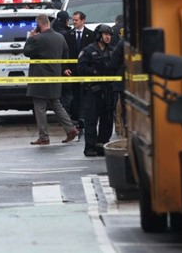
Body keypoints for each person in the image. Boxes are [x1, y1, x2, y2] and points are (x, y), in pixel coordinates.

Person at [24, 14, 80, 145]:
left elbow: (27, 52)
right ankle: (70, 129)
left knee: (40, 106)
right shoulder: (60, 37)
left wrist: (30, 38)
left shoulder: (37, 39)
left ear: (39, 24)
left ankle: (44, 136)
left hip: (39, 78)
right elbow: (66, 54)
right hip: (55, 76)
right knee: (56, 104)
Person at [76, 24, 114, 157]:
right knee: (91, 120)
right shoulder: (88, 51)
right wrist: (93, 72)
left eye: (109, 34)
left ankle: (102, 144)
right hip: (93, 91)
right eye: (105, 34)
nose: (108, 37)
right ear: (99, 35)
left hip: (108, 91)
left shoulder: (112, 51)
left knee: (107, 120)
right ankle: (90, 147)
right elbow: (80, 67)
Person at [67, 11, 95, 126]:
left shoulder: (91, 35)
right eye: (73, 20)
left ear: (83, 20)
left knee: (86, 94)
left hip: (86, 70)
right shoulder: (68, 35)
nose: (74, 22)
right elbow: (65, 53)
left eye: (76, 20)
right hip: (72, 70)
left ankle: (85, 117)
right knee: (75, 94)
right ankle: (76, 117)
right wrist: (65, 68)